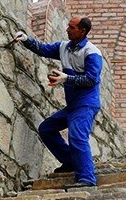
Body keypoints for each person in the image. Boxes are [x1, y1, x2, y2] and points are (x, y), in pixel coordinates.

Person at [14, 16, 102, 187]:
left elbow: (92, 80)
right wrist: (25, 39)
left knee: (77, 136)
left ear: (82, 31)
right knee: (46, 129)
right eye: (68, 26)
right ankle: (70, 161)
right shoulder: (64, 47)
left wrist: (66, 78)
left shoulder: (92, 53)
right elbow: (43, 49)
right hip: (73, 105)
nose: (67, 30)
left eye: (72, 27)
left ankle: (87, 178)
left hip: (86, 104)